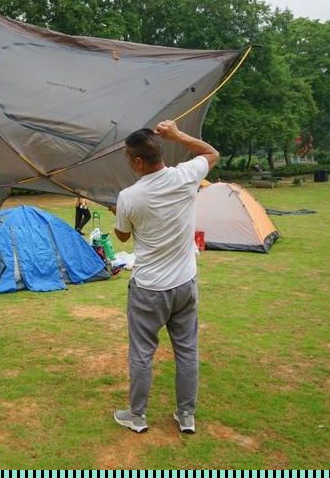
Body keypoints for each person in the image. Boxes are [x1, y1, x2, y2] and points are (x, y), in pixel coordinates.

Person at [110, 120, 218, 435]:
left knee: (142, 353)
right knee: (187, 350)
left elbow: (122, 237)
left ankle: (138, 416)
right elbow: (211, 153)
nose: (129, 163)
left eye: (129, 159)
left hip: (148, 289)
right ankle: (186, 416)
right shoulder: (186, 175)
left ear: (138, 161)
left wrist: (121, 212)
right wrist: (177, 134)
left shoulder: (129, 196)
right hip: (185, 284)